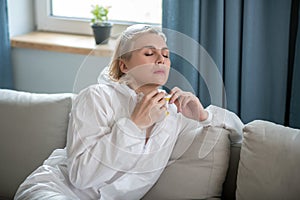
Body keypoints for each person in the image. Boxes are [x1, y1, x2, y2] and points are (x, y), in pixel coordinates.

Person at [14, 24, 244, 200]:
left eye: (165, 54)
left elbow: (240, 132)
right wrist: (134, 126)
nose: (161, 59)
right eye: (149, 53)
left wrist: (204, 115)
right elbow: (81, 177)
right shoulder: (96, 97)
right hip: (54, 190)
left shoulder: (173, 114)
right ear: (124, 65)